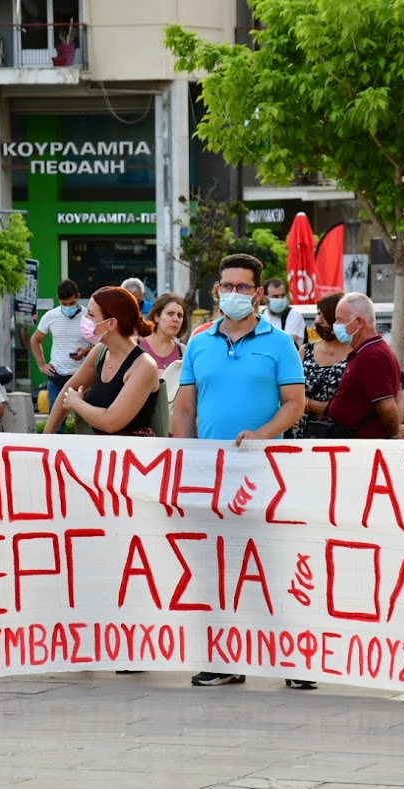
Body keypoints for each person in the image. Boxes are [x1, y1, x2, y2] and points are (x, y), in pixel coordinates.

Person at [173, 253, 305, 687]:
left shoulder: (280, 343)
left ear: (259, 293)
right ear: (216, 290)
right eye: (226, 286)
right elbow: (185, 408)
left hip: (264, 472)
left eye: (243, 287)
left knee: (272, 564)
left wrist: (263, 435)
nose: (233, 294)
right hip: (210, 474)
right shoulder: (199, 342)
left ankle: (294, 661)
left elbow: (294, 403)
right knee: (216, 566)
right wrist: (182, 460)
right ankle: (224, 658)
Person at [43, 286, 161, 437]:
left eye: (91, 315)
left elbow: (111, 422)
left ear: (111, 323)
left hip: (132, 456)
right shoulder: (100, 351)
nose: (85, 320)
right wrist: (47, 436)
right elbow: (69, 389)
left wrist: (77, 404)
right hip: (100, 452)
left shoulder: (144, 366)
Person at [325, 293, 403, 440]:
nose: (335, 325)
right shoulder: (370, 351)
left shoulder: (371, 356)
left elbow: (386, 405)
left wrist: (395, 434)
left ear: (359, 323)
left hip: (362, 446)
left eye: (340, 320)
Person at [287, 292, 351, 439]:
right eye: (318, 314)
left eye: (324, 315)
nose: (319, 320)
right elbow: (289, 391)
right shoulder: (305, 351)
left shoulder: (356, 353)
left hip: (345, 437)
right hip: (307, 435)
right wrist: (311, 405)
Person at [30, 279, 93, 419]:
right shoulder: (50, 316)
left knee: (84, 421)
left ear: (78, 296)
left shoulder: (89, 317)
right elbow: (35, 339)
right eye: (64, 304)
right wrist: (41, 365)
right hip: (57, 376)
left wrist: (86, 352)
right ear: (58, 299)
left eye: (71, 303)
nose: (68, 306)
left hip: (83, 377)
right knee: (56, 421)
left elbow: (100, 345)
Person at [140, 293, 188, 371]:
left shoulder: (183, 351)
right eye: (170, 313)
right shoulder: (136, 344)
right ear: (157, 317)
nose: (176, 319)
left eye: (179, 315)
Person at [260, 277, 305, 348]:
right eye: (276, 296)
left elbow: (287, 343)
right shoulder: (261, 317)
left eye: (283, 295)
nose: (280, 299)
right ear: (265, 298)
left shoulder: (294, 315)